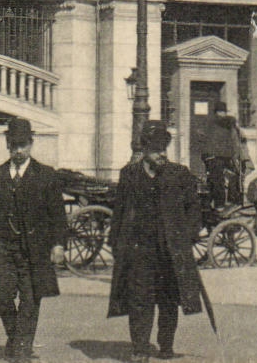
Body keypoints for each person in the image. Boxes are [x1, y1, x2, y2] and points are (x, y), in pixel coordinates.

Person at [0, 118, 67, 362]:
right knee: (0, 298)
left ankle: (21, 350)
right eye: (14, 145)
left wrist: (58, 244)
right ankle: (16, 337)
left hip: (35, 251)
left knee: (31, 301)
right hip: (2, 248)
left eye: (23, 145)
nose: (18, 150)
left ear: (31, 145)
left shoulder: (46, 175)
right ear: (7, 145)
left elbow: (57, 215)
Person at [108, 120, 204, 363]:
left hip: (170, 251)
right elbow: (119, 211)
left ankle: (166, 346)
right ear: (144, 149)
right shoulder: (129, 175)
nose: (162, 153)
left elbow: (194, 209)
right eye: (156, 149)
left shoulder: (179, 175)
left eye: (164, 148)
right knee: (139, 300)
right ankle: (140, 348)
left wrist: (189, 235)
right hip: (139, 251)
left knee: (169, 301)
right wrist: (116, 244)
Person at [201, 101, 250, 208]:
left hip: (214, 156)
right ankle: (227, 204)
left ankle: (218, 204)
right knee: (227, 179)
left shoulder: (210, 123)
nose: (222, 114)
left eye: (222, 112)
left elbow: (204, 139)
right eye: (221, 112)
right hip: (224, 156)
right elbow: (237, 140)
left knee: (216, 180)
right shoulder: (229, 123)